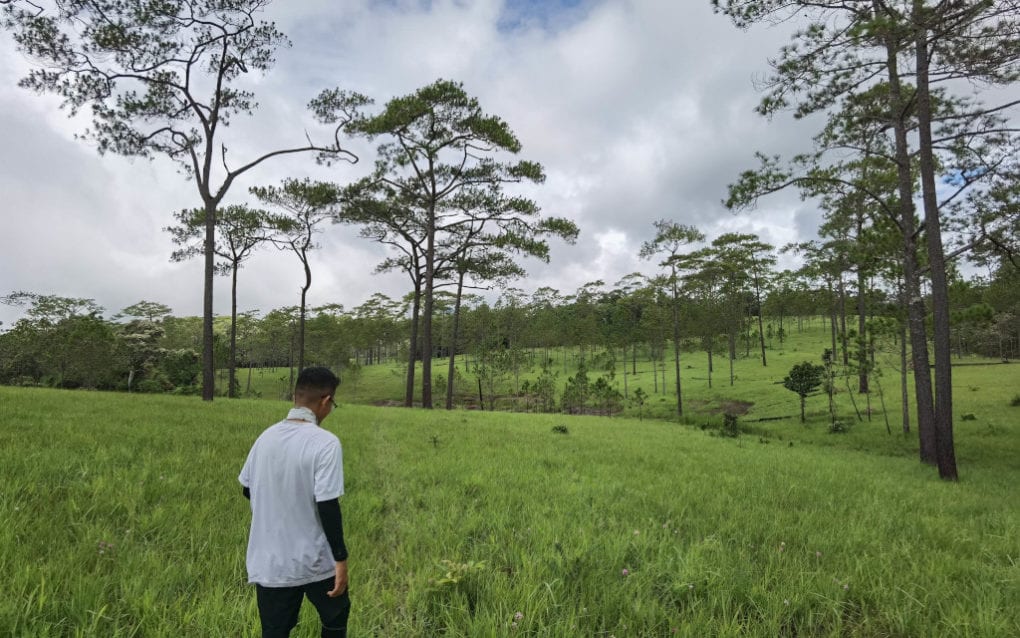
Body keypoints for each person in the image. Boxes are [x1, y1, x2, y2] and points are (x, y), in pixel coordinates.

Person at [239, 366, 350, 638]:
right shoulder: (325, 443)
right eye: (332, 404)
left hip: (271, 562)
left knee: (275, 632)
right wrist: (341, 559)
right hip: (314, 559)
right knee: (335, 618)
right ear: (325, 401)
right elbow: (327, 504)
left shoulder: (265, 438)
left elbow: (247, 488)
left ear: (295, 397)